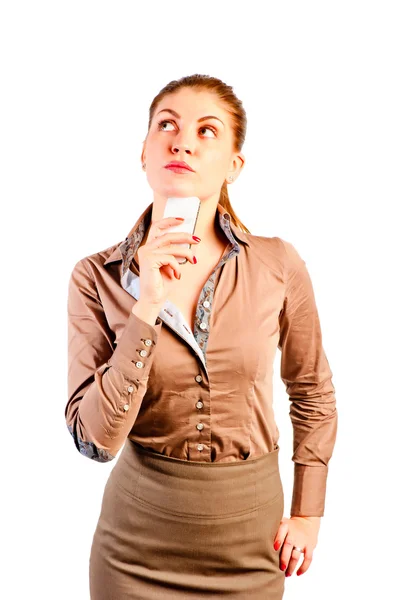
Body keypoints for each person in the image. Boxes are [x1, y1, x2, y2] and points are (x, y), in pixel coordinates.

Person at [65, 74, 338, 599]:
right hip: (133, 551)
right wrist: (146, 306)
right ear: (143, 153)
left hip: (252, 548)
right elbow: (94, 440)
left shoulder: (278, 264)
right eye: (166, 125)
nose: (182, 140)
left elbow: (312, 392)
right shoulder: (95, 277)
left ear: (234, 165)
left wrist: (308, 512)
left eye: (206, 130)